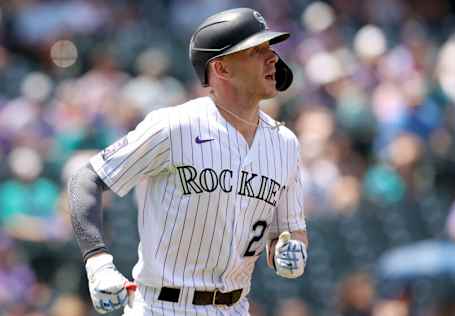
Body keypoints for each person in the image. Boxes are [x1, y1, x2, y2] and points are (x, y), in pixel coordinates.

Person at [68, 7, 308, 315]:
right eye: (256, 50)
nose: (272, 57)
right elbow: (86, 179)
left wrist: (289, 251)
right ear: (221, 69)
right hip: (162, 306)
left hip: (235, 307)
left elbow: (289, 229)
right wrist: (98, 263)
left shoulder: (285, 143)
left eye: (270, 48)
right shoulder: (174, 126)